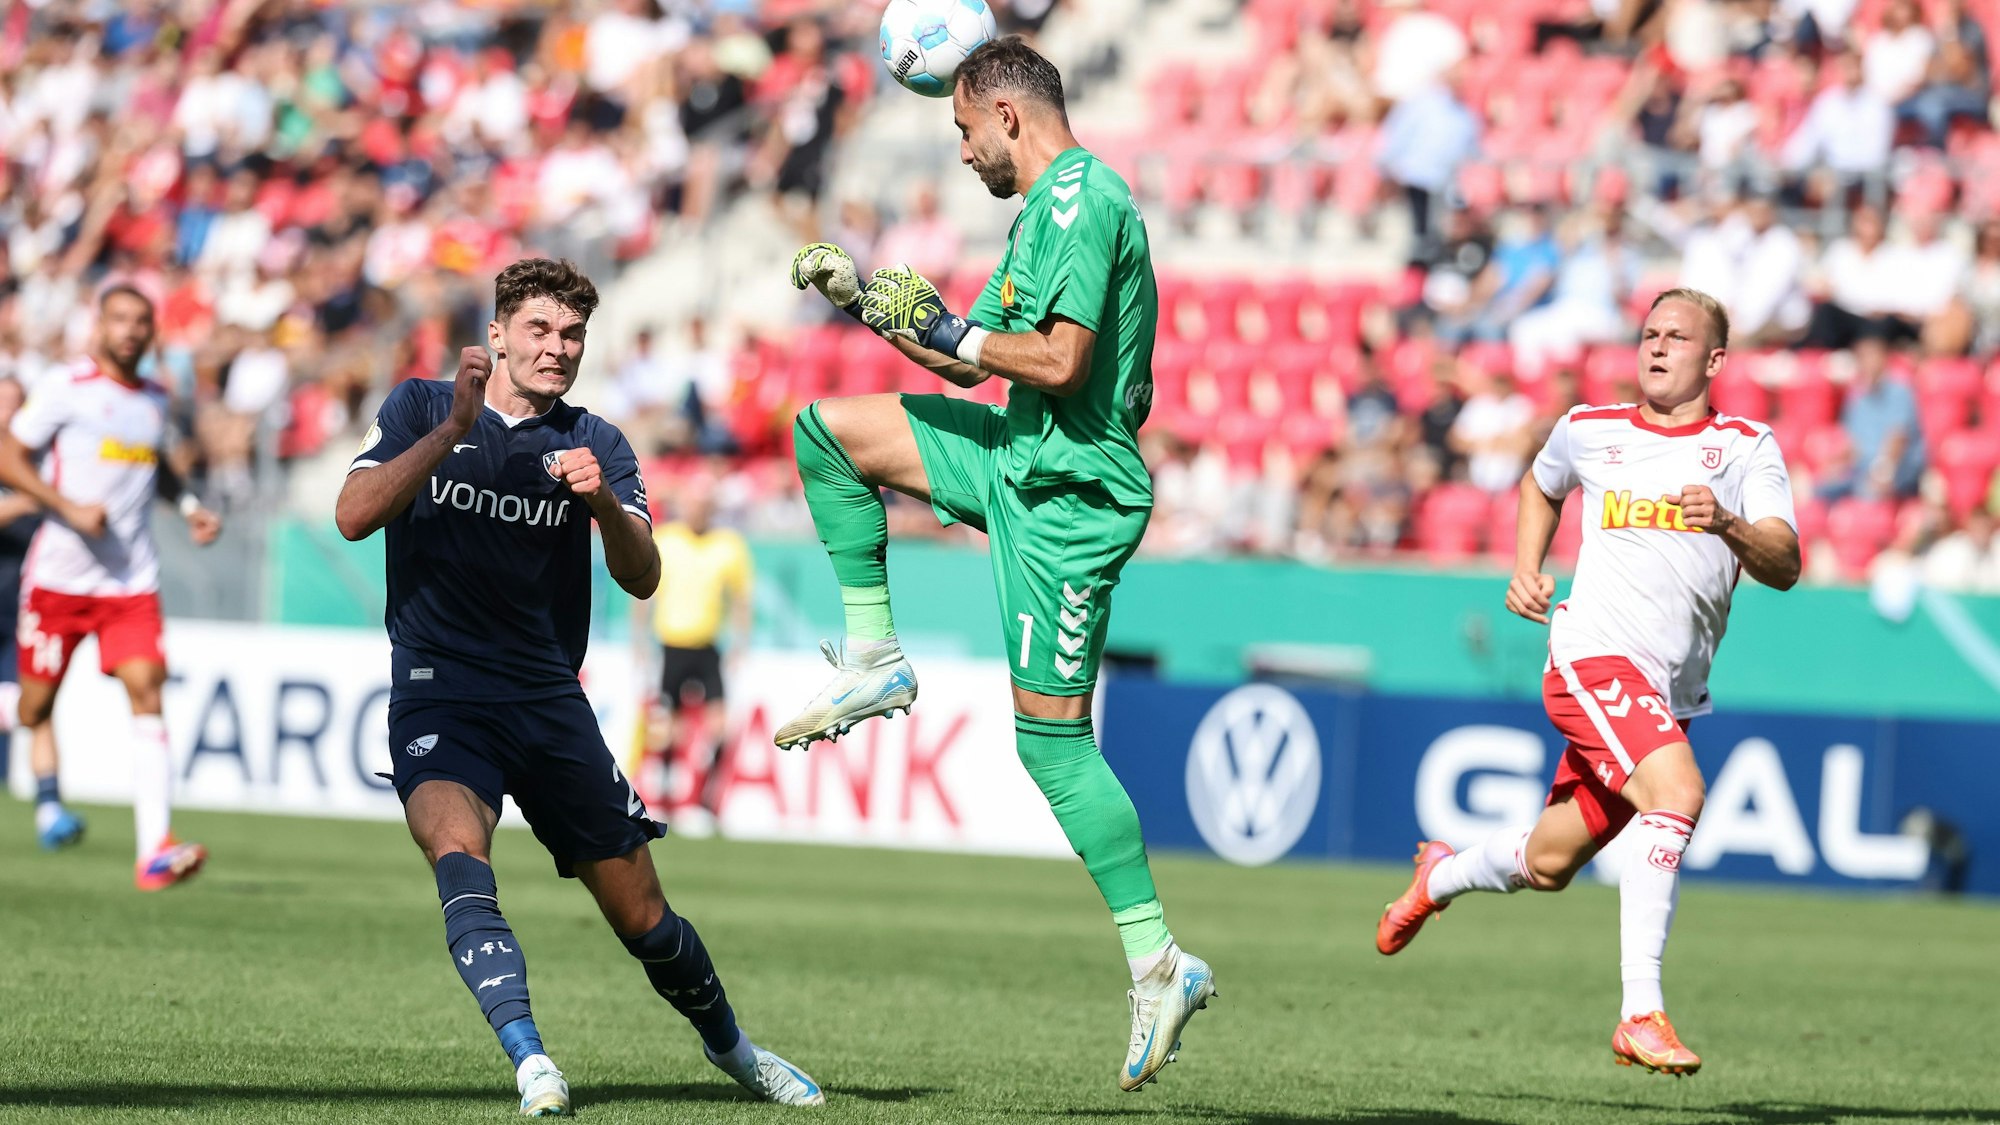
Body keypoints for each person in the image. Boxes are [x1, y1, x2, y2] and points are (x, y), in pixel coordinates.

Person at [781, 37, 1215, 1093]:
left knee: (1052, 750)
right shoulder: (1042, 212)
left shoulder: (1081, 201)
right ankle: (877, 653)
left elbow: (1059, 362)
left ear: (1005, 116)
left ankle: (1158, 960)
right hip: (1014, 455)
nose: (962, 150)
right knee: (825, 432)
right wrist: (865, 303)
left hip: (1070, 498)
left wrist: (952, 330)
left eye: (963, 128)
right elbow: (970, 353)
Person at [333, 259, 820, 1116]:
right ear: (497, 336)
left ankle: (735, 1049)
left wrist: (600, 506)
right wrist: (452, 428)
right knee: (459, 856)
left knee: (646, 919)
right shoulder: (420, 406)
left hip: (549, 701)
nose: (557, 348)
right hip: (438, 691)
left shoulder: (598, 442)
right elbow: (353, 514)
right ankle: (531, 1060)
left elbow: (642, 575)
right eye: (539, 330)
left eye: (571, 335)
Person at [1375, 288, 1802, 1076]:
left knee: (1548, 862)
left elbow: (1784, 562)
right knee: (1676, 795)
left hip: (1666, 689)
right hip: (1591, 657)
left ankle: (1441, 874)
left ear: (1714, 361)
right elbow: (1542, 484)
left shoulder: (1746, 448)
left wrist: (1729, 524)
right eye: (1649, 333)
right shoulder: (1589, 429)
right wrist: (1525, 566)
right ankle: (1641, 1010)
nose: (1658, 346)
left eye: (1679, 337)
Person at [0, 285, 222, 884]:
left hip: (128, 582)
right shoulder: (64, 387)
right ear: (98, 325)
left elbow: (156, 466)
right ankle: (43, 783)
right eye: (118, 319)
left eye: (139, 322)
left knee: (146, 687)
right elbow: (7, 455)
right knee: (33, 706)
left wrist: (191, 503)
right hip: (57, 581)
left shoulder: (154, 396)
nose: (129, 331)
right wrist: (65, 506)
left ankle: (154, 849)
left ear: (152, 333)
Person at [641, 476, 752, 819]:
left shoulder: (728, 545)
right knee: (669, 727)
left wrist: (739, 642)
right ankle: (666, 796)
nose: (697, 512)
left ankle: (707, 795)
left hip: (707, 646)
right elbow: (643, 588)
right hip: (672, 644)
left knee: (719, 725)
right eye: (692, 505)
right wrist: (639, 639)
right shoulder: (667, 539)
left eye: (703, 506)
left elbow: (740, 599)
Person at [0, 379, 39, 803]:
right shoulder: (33, 485)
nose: (7, 411)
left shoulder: (34, 464)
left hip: (22, 607)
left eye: (15, 403)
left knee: (22, 702)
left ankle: (31, 793)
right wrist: (30, 500)